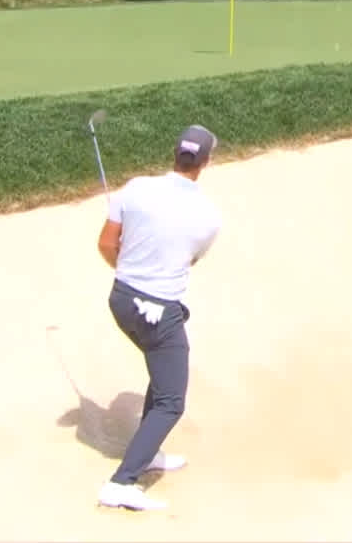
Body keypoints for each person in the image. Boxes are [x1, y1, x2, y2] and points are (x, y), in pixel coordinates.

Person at [96, 126, 224, 512]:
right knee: (171, 401)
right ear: (206, 162)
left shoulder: (134, 188)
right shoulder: (208, 216)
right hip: (159, 313)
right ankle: (122, 483)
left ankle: (146, 451)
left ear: (174, 153)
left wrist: (131, 275)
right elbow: (191, 259)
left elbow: (106, 244)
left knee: (162, 369)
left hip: (121, 300)